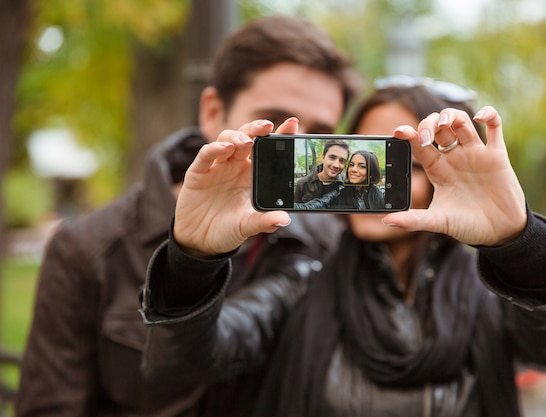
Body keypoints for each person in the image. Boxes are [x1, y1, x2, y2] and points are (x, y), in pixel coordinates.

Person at [139, 80, 546, 416]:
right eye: (359, 154)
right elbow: (181, 361)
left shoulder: (493, 291)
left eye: (405, 161)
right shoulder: (302, 282)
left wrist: (518, 245)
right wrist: (192, 260)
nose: (364, 173)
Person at [15, 14, 360, 416]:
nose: (294, 147)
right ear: (213, 111)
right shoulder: (87, 248)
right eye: (275, 122)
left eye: (316, 133)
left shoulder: (331, 242)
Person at [295, 149, 385, 210]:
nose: (353, 170)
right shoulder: (340, 190)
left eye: (362, 166)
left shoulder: (380, 194)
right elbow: (320, 203)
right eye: (352, 165)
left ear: (371, 172)